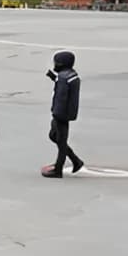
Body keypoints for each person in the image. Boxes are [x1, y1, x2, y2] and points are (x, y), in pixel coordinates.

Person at [42, 51, 85, 179]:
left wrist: (56, 113)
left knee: (61, 141)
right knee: (54, 136)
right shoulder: (71, 76)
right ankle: (75, 160)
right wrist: (54, 78)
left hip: (60, 114)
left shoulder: (63, 78)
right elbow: (64, 85)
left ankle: (58, 169)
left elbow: (61, 97)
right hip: (67, 113)